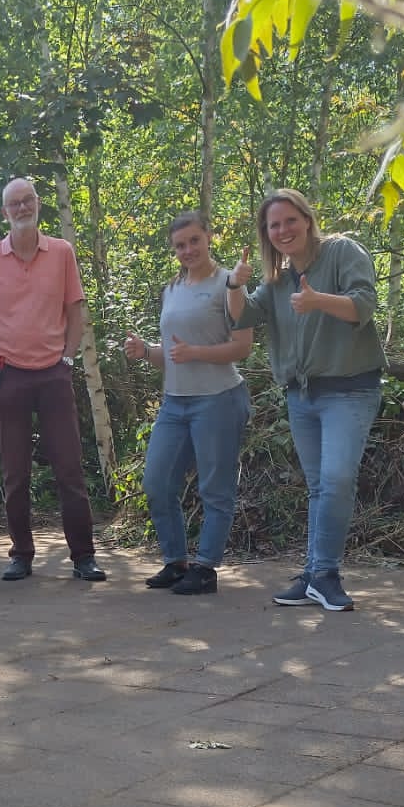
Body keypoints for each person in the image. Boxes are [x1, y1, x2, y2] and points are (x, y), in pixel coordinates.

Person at [229, 187, 385, 612]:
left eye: (290, 220)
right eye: (274, 225)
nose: (283, 230)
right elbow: (242, 316)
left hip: (350, 389)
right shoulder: (277, 279)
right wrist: (234, 284)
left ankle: (325, 575)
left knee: (336, 480)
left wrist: (317, 300)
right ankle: (316, 574)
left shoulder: (342, 251)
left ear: (307, 219)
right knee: (319, 487)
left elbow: (363, 305)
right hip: (301, 395)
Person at [0, 177, 103, 582]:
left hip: (54, 372)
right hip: (8, 374)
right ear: (4, 212)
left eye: (28, 200)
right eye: (14, 203)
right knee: (15, 472)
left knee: (69, 467)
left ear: (38, 204)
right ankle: (20, 554)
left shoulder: (62, 252)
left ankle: (83, 556)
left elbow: (75, 311)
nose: (22, 208)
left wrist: (68, 358)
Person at [127, 211, 254, 597]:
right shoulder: (172, 289)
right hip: (175, 403)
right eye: (180, 245)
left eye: (194, 241)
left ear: (208, 237)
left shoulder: (229, 283)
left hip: (218, 400)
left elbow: (243, 348)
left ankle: (205, 568)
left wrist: (195, 352)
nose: (188, 250)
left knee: (215, 489)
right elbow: (172, 355)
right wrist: (145, 351)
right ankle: (176, 562)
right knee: (156, 483)